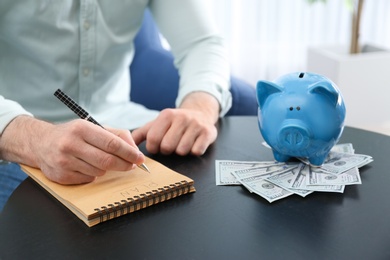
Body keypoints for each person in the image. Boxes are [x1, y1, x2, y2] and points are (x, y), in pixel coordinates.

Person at [0, 1, 232, 210]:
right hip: (17, 143)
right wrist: (35, 139)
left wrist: (198, 108)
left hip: (127, 127)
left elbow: (201, 43)